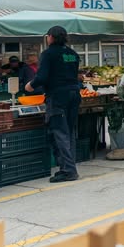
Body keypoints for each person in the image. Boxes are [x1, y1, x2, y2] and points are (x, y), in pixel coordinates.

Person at [26, 26, 81, 183]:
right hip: (74, 95)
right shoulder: (73, 54)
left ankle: (69, 171)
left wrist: (30, 85)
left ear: (50, 37)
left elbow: (42, 77)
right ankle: (67, 167)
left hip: (58, 97)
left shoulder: (48, 54)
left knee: (60, 133)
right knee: (69, 132)